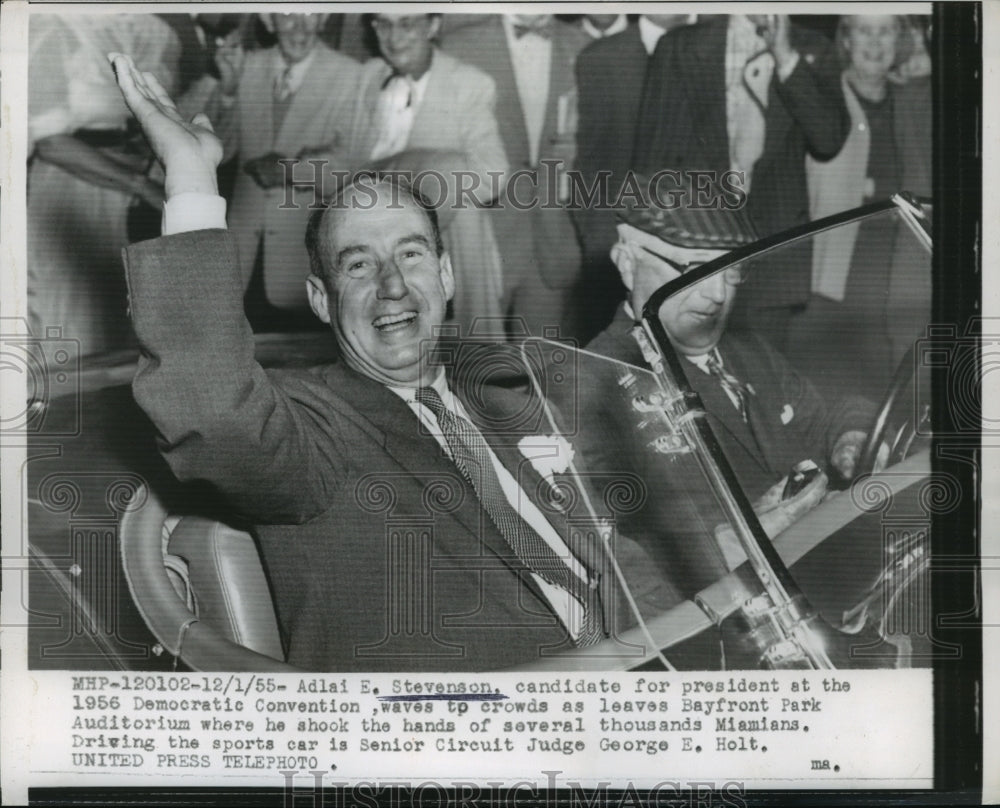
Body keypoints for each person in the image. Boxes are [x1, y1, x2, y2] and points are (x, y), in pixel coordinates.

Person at [107, 53, 677, 672]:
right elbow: (213, 411)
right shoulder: (311, 427)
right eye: (357, 265)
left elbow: (619, 559)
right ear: (321, 301)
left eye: (410, 254)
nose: (393, 286)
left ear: (448, 273)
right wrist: (191, 179)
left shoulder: (510, 394)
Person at [578, 194, 877, 592]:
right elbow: (603, 548)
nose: (718, 294)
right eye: (695, 269)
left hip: (825, 573)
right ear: (628, 264)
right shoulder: (591, 380)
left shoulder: (746, 347)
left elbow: (823, 418)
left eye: (731, 270)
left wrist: (852, 437)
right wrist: (728, 545)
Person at [633, 14, 849, 350]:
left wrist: (786, 59)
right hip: (691, 254)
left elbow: (828, 140)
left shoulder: (812, 49)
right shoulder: (679, 47)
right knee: (692, 375)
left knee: (762, 382)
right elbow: (652, 163)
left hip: (774, 258)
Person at [789, 14, 931, 399]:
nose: (874, 42)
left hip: (891, 286)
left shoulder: (910, 99)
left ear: (900, 39)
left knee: (881, 400)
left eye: (885, 30)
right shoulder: (821, 93)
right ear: (846, 39)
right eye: (863, 30)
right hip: (827, 281)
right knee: (821, 395)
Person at [344, 12, 509, 334]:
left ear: (433, 25)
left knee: (461, 191)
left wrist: (408, 171)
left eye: (407, 24)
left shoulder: (469, 83)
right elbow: (343, 161)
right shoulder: (366, 76)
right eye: (383, 23)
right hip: (363, 238)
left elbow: (493, 175)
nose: (394, 37)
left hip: (442, 251)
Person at [28, 14, 180, 356]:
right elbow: (50, 143)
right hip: (72, 188)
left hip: (136, 187)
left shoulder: (158, 31)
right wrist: (141, 186)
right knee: (77, 329)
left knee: (131, 327)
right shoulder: (51, 28)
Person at [442, 15, 590, 338]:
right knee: (473, 370)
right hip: (485, 239)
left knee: (545, 369)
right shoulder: (457, 46)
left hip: (554, 236)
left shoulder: (584, 47)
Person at [209, 13, 360, 312]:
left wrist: (290, 172)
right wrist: (226, 91)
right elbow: (220, 152)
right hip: (241, 260)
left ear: (323, 20)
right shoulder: (246, 65)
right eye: (288, 15)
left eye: (311, 15)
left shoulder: (352, 75)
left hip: (306, 262)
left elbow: (354, 168)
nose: (300, 28)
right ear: (269, 22)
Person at [572, 14, 694, 341]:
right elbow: (590, 164)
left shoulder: (720, 47)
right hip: (616, 246)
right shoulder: (601, 58)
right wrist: (600, 244)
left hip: (698, 248)